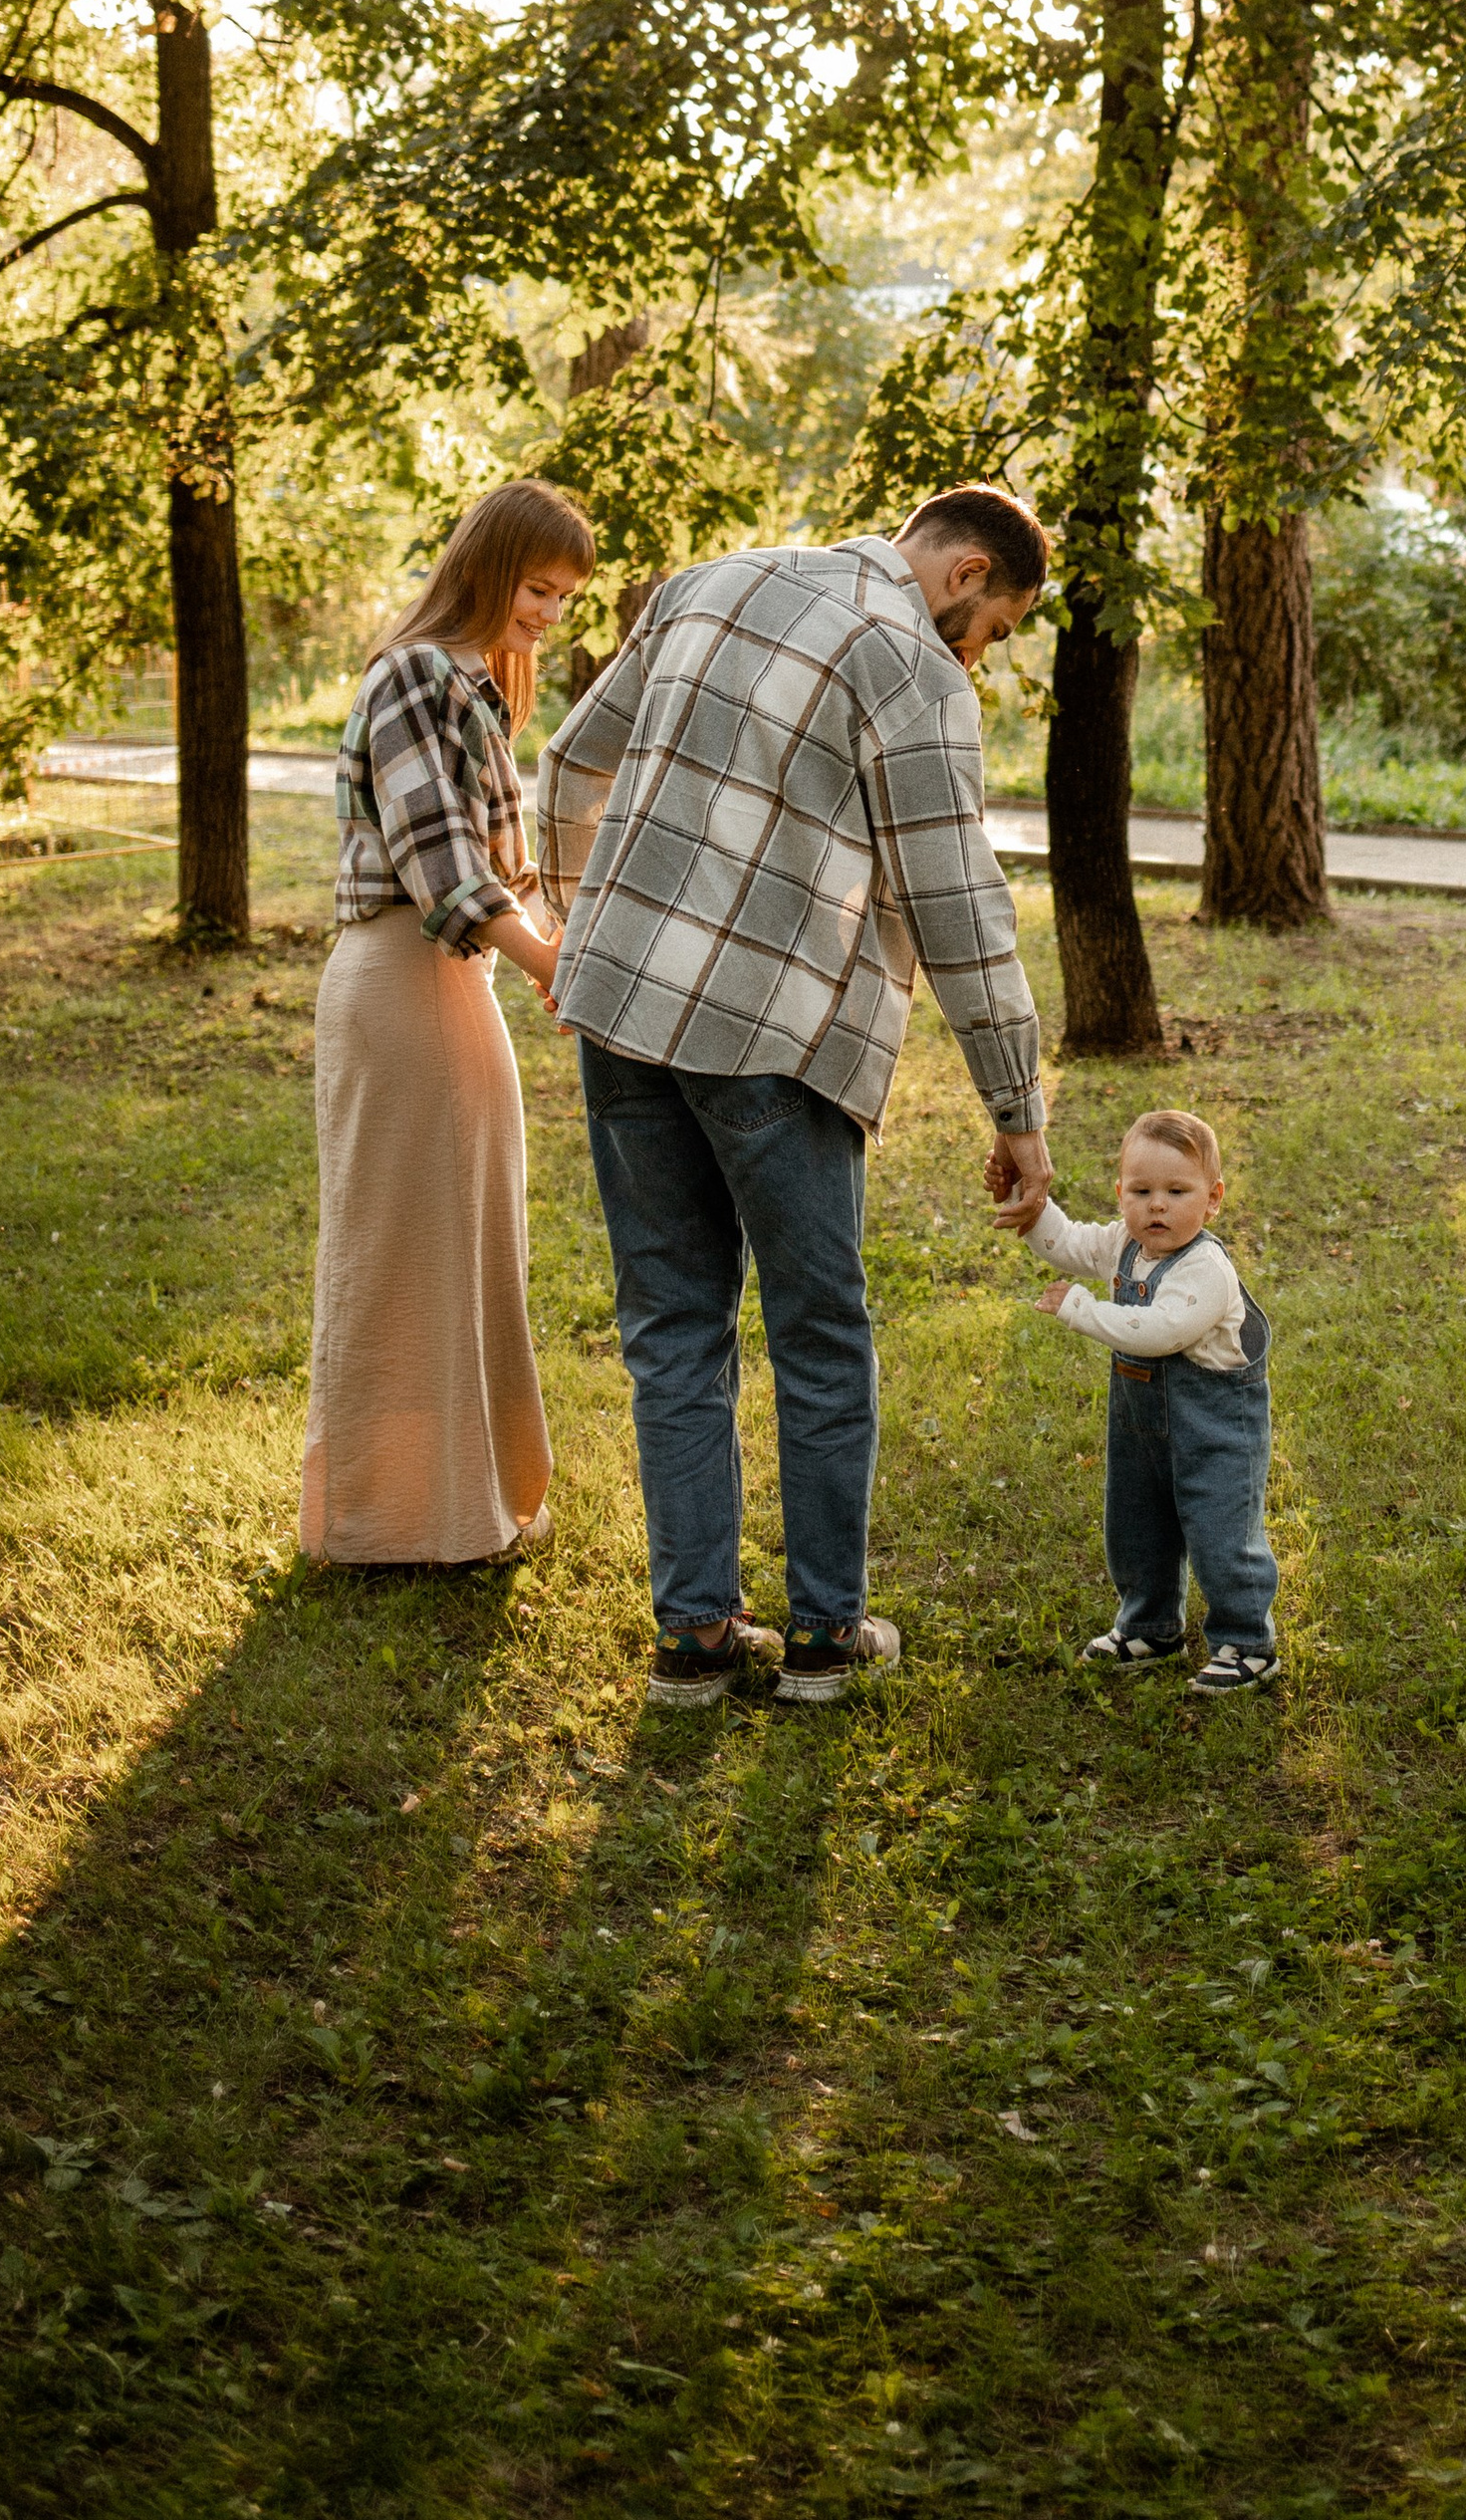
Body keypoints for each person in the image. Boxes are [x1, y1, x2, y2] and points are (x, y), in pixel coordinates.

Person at [538, 486, 1056, 1712]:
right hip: (773, 1037)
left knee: (672, 1324)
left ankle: (696, 1641)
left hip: (619, 1013)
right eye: (992, 628)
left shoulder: (710, 579)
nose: (977, 654)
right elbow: (959, 902)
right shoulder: (910, 666)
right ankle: (823, 1637)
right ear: (964, 572)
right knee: (818, 1331)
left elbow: (570, 761)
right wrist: (1017, 1105)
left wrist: (580, 926)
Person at [302, 478, 595, 1569]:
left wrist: (562, 951)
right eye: (538, 587)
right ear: (485, 564)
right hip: (404, 975)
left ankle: (465, 1503)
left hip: (452, 985)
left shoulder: (475, 687)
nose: (550, 615)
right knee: (404, 1250)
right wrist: (550, 975)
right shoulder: (415, 673)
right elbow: (442, 866)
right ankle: (388, 1522)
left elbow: (509, 869)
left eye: (566, 597)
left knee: (470, 1246)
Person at [1000, 1106, 1280, 1693]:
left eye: (1178, 1191)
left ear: (1212, 1199)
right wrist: (1031, 1201)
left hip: (1215, 1429)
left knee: (1221, 1531)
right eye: (1142, 1189)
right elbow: (1068, 1244)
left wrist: (1082, 1309)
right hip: (1141, 1426)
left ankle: (1246, 1640)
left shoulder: (1205, 1269)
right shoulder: (1124, 1242)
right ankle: (1150, 1625)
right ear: (1120, 1192)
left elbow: (1159, 1332)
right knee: (1136, 1524)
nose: (1158, 1205)